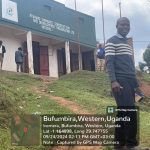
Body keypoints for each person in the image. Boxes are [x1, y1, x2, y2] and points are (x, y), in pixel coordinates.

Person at [105, 17, 149, 150]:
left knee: (122, 113)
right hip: (120, 81)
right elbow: (109, 62)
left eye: (127, 25)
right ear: (116, 25)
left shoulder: (127, 44)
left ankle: (118, 145)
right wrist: (113, 81)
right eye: (122, 24)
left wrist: (136, 85)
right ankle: (131, 144)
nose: (125, 27)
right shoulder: (111, 41)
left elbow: (129, 65)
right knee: (130, 111)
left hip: (130, 81)